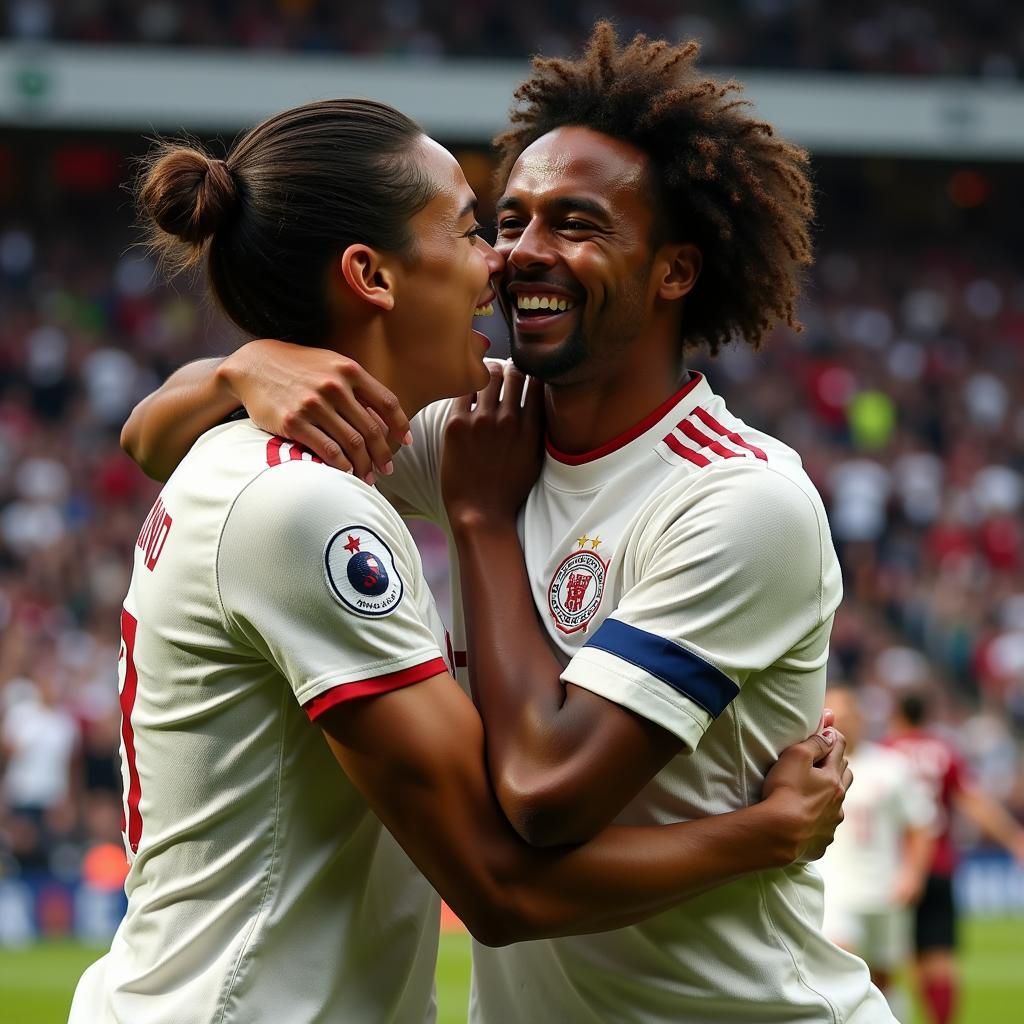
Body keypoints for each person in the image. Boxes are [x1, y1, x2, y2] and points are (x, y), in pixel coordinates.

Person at [121, 26, 891, 1023]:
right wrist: (239, 366)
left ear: (673, 270)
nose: (519, 254)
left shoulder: (737, 501)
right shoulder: (475, 426)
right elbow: (155, 436)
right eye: (505, 219)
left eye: (574, 223)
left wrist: (482, 520)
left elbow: (540, 794)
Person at [887, 691, 1024, 1024]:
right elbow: (973, 802)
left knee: (906, 961)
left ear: (897, 717)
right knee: (942, 958)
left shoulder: (886, 753)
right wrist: (1013, 837)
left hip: (896, 870)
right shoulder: (943, 752)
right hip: (941, 865)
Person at [817, 684, 936, 1014]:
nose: (846, 721)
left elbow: (921, 824)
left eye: (852, 714)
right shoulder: (811, 766)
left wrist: (913, 874)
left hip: (885, 889)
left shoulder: (892, 766)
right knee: (840, 968)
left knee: (883, 979)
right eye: (837, 713)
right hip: (834, 889)